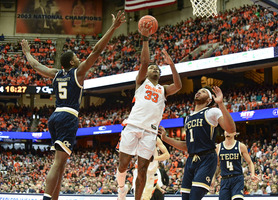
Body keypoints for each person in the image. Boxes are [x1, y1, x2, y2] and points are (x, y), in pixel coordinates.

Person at [21, 11, 125, 200]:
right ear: (71, 62)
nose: (79, 59)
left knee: (61, 164)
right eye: (76, 58)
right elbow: (96, 52)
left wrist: (27, 52)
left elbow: (36, 66)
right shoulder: (77, 73)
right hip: (68, 116)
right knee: (57, 163)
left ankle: (54, 198)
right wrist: (113, 28)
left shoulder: (55, 73)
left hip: (55, 117)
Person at [117, 22, 182, 200]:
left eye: (157, 69)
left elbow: (178, 85)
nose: (154, 68)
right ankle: (121, 188)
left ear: (160, 74)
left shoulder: (163, 89)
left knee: (143, 169)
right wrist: (145, 38)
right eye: (152, 68)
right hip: (133, 125)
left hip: (150, 131)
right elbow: (145, 61)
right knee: (123, 165)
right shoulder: (141, 82)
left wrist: (171, 65)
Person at [159, 86, 236, 200]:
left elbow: (231, 129)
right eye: (199, 91)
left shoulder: (212, 111)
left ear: (209, 100)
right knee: (185, 198)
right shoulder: (188, 118)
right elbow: (187, 146)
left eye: (204, 92)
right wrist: (165, 139)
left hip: (207, 158)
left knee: (194, 197)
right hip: (191, 160)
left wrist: (220, 104)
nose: (199, 92)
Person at [211, 131, 258, 200]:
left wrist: (253, 174)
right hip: (225, 179)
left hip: (237, 178)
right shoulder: (218, 147)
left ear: (234, 133)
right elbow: (218, 165)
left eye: (230, 131)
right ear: (224, 133)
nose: (227, 133)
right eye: (226, 131)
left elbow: (250, 162)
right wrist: (213, 177)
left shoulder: (240, 146)